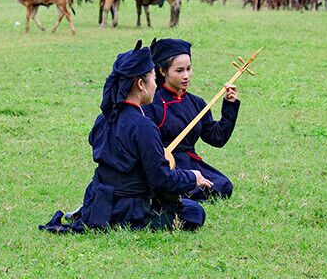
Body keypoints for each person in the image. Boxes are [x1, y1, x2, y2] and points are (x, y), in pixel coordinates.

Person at [40, 41, 213, 233]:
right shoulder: (143, 125)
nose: (157, 85)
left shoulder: (103, 118)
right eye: (154, 79)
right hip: (130, 210)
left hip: (99, 202)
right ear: (141, 84)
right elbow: (160, 180)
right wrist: (192, 177)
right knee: (194, 212)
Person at [143, 38, 239, 200]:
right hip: (166, 164)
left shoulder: (196, 103)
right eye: (179, 71)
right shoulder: (153, 103)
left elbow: (217, 138)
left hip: (190, 163)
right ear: (162, 71)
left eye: (189, 69)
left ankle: (187, 191)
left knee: (223, 185)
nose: (186, 76)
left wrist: (230, 106)